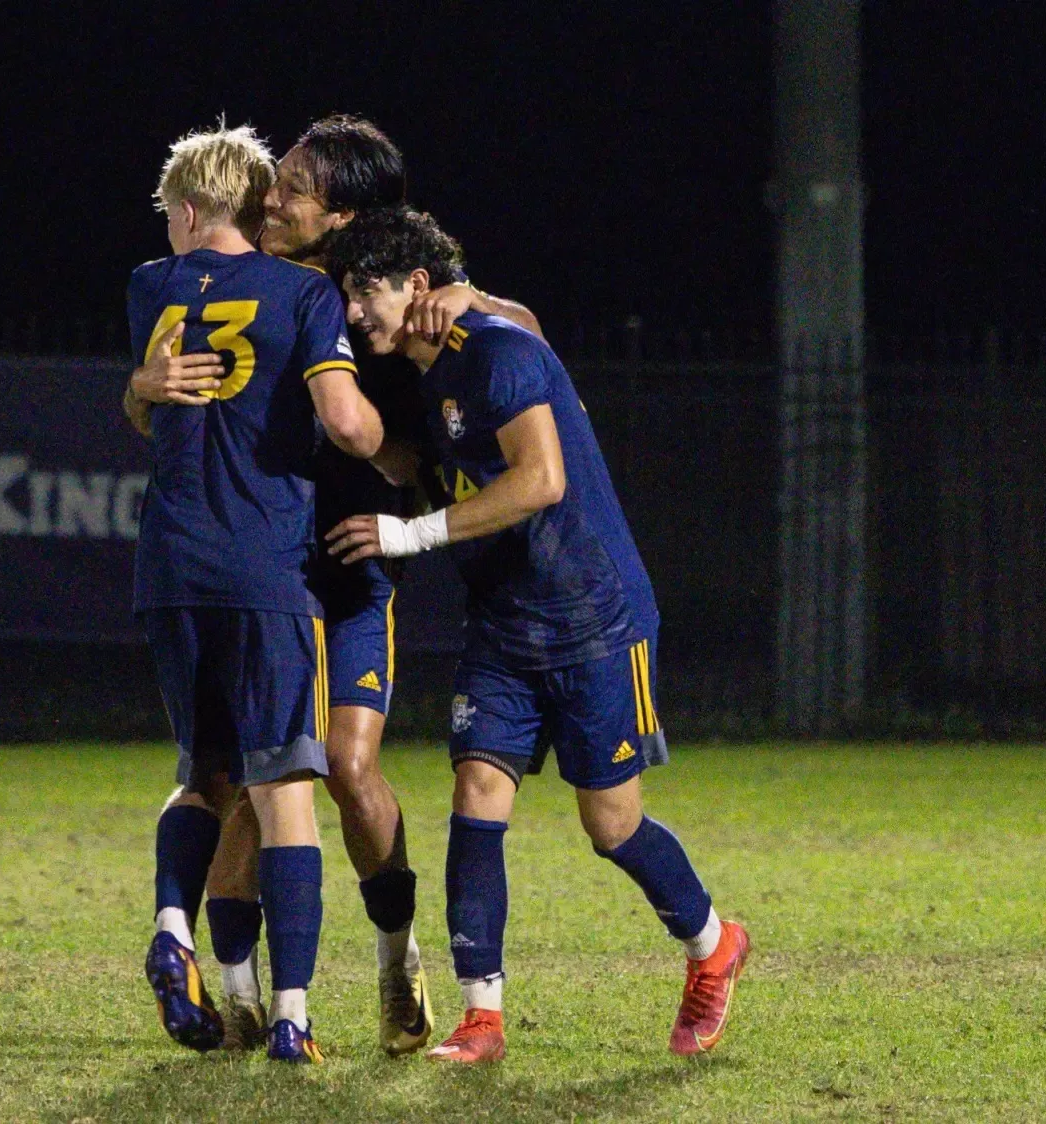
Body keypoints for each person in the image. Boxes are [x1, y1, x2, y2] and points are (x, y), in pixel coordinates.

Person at [125, 114, 541, 1055]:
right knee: (255, 782)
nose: (274, 200)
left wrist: (468, 298)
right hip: (264, 563)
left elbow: (520, 330)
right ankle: (241, 989)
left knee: (341, 768)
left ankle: (396, 959)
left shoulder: (380, 290)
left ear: (345, 214)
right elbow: (158, 398)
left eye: (298, 188)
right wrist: (141, 387)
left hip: (349, 568)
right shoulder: (263, 287)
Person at [325, 207, 750, 1064]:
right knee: (476, 798)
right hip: (505, 625)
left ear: (417, 286)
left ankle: (714, 946)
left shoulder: (498, 349)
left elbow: (544, 480)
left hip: (597, 618)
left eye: (364, 292)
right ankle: (481, 1018)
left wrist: (410, 533)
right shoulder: (417, 370)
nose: (352, 313)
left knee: (611, 825)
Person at [126, 123, 385, 1064]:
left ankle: (171, 926)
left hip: (170, 567)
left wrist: (137, 388)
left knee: (203, 774)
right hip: (266, 567)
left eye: (167, 212)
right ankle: (292, 1017)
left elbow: (154, 396)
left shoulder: (148, 288)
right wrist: (388, 444)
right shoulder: (306, 292)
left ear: (189, 209)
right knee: (285, 795)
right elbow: (345, 422)